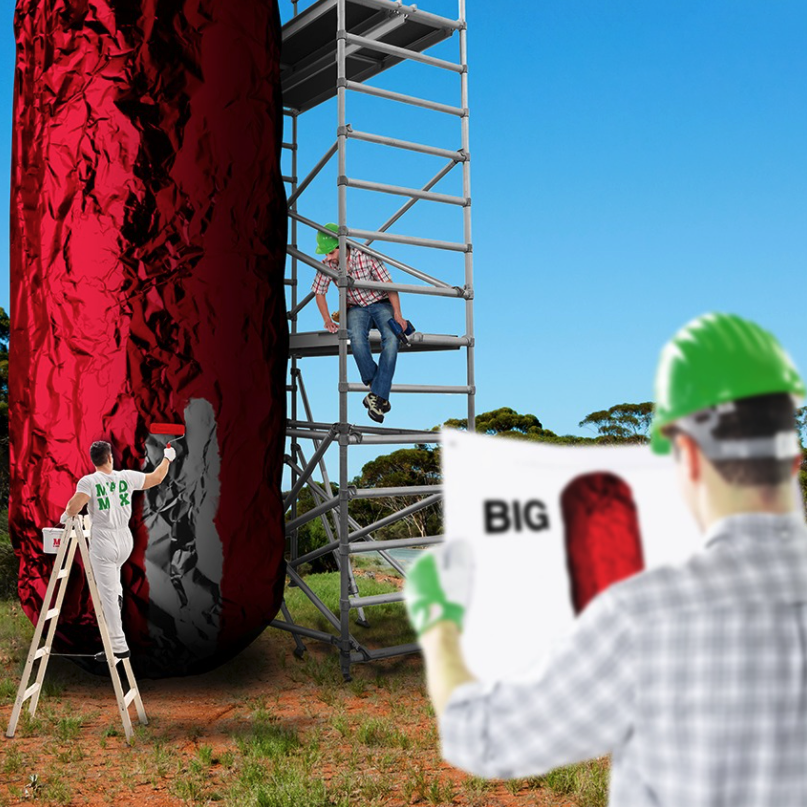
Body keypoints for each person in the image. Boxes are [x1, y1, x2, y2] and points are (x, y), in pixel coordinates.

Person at [406, 312, 807, 806]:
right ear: (792, 459)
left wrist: (438, 622)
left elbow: (485, 736)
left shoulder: (647, 615)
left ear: (690, 456)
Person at [61, 439, 172, 662]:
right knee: (114, 583)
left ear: (94, 461)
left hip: (103, 540)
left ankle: (118, 647)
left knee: (107, 596)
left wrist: (66, 515)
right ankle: (119, 597)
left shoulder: (89, 481)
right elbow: (157, 477)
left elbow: (75, 505)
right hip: (125, 539)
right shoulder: (126, 476)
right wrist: (168, 457)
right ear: (110, 457)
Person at [313, 222, 409, 423]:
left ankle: (376, 394)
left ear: (341, 246)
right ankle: (379, 394)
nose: (327, 258)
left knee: (392, 339)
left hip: (380, 303)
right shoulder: (327, 264)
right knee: (356, 338)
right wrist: (327, 320)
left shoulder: (365, 256)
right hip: (355, 307)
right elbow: (319, 292)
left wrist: (398, 315)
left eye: (330, 253)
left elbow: (389, 286)